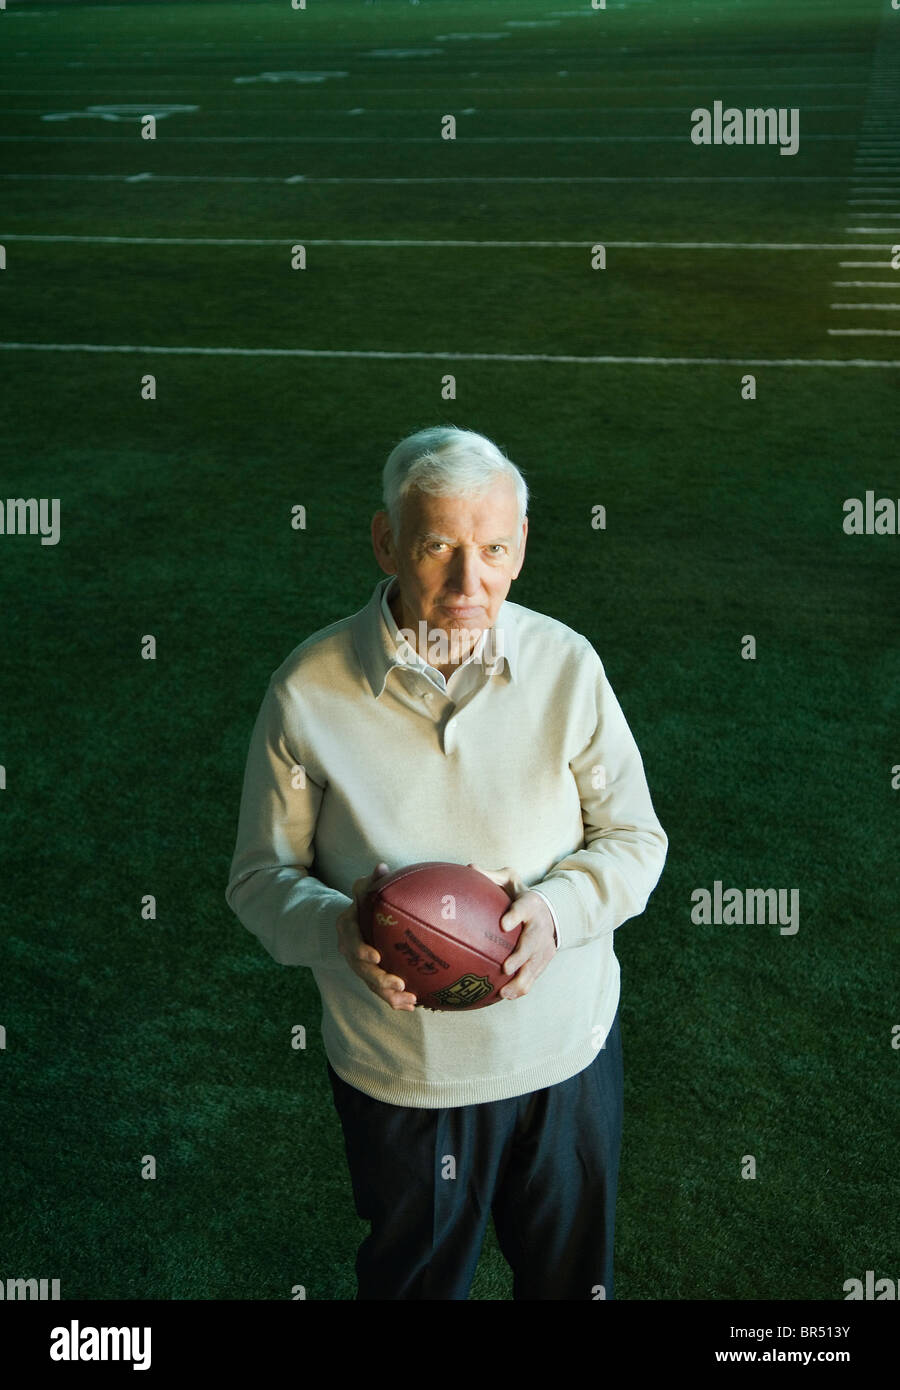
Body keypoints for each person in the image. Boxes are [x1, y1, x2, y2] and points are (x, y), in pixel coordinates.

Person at [225, 425, 667, 1300]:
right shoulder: (307, 690)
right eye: (438, 548)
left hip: (564, 1057)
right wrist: (337, 929)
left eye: (495, 549)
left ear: (522, 549)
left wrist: (555, 912)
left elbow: (636, 840)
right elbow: (258, 878)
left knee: (573, 1284)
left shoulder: (569, 668)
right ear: (386, 541)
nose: (472, 585)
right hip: (402, 1075)